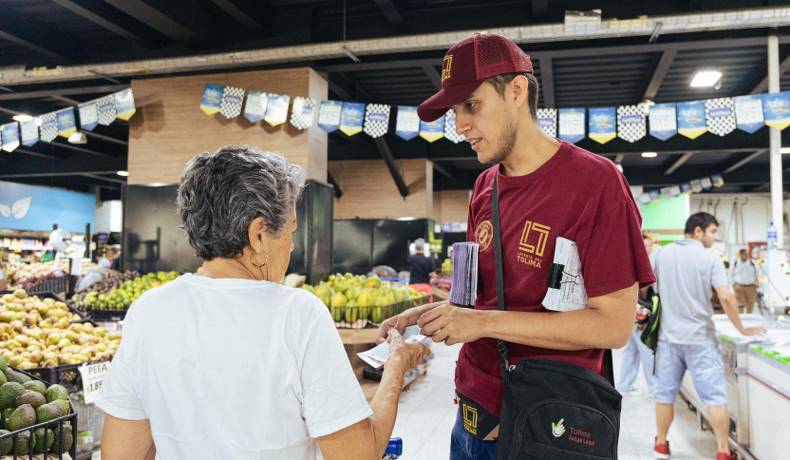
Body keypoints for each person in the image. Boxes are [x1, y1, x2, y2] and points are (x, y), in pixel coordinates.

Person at [378, 33, 655, 460]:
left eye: (471, 105)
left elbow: (613, 327)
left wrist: (483, 324)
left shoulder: (595, 182)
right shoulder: (484, 187)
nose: (460, 125)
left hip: (549, 426)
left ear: (517, 91)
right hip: (472, 418)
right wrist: (434, 314)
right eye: (455, 111)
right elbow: (479, 297)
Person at [97, 146, 429, 460]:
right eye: (290, 233)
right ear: (258, 235)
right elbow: (358, 453)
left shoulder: (150, 310)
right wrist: (396, 367)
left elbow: (121, 453)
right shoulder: (298, 313)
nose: (292, 248)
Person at [651, 213, 765, 460]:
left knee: (664, 395)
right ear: (697, 231)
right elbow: (725, 296)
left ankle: (661, 444)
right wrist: (742, 329)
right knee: (714, 397)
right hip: (701, 339)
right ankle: (723, 451)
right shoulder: (710, 258)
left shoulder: (660, 254)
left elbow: (642, 285)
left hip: (668, 339)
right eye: (713, 231)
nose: (715, 237)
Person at [616, 234, 656, 396]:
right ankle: (653, 387)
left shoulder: (636, 260)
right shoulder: (640, 262)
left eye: (650, 245)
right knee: (645, 349)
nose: (648, 248)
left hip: (632, 310)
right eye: (645, 245)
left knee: (631, 349)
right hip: (639, 311)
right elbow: (643, 290)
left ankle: (625, 384)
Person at [730, 248, 758, 314]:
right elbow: (730, 274)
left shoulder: (752, 263)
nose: (746, 256)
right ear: (740, 255)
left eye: (747, 254)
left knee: (750, 304)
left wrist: (757, 283)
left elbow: (757, 273)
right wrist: (733, 284)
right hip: (739, 287)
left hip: (751, 287)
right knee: (740, 305)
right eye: (744, 254)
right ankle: (741, 319)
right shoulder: (735, 263)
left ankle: (749, 318)